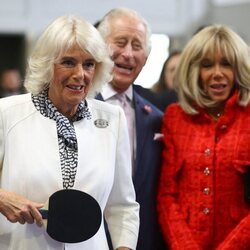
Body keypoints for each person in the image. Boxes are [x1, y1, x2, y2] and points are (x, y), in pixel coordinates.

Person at [0, 15, 139, 250]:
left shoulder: (112, 119)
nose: (80, 74)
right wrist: (3, 198)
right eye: (67, 62)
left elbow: (122, 207)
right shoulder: (7, 113)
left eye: (88, 64)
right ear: (47, 64)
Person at [157, 24, 250, 249]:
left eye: (226, 64)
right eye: (207, 65)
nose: (217, 73)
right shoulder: (175, 117)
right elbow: (166, 196)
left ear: (239, 69)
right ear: (193, 71)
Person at [96, 7, 166, 250]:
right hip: (84, 239)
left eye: (137, 46)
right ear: (99, 47)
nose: (128, 54)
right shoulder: (76, 107)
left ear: (146, 58)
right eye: (120, 42)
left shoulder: (156, 118)